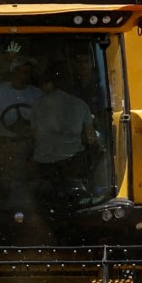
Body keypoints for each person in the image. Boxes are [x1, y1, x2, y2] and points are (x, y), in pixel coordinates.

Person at [29, 64, 99, 201]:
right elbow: (91, 139)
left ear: (50, 84)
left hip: (44, 163)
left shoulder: (37, 104)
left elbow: (35, 135)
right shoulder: (81, 105)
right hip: (72, 164)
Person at [0, 60, 42, 131]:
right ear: (13, 72)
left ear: (30, 75)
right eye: (17, 70)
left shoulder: (37, 94)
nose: (20, 74)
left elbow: (44, 119)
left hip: (30, 138)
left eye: (25, 72)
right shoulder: (0, 90)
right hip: (4, 137)